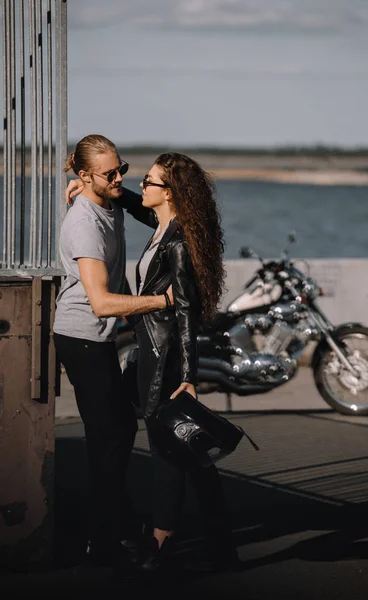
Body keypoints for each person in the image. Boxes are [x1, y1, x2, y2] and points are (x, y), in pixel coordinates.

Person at [54, 134, 173, 567]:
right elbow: (102, 302)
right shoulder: (84, 223)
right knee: (109, 438)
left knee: (117, 432)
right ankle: (103, 542)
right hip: (81, 335)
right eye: (110, 173)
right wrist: (163, 301)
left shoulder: (108, 199)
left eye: (122, 168)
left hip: (98, 334)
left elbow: (145, 211)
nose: (120, 177)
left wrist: (105, 189)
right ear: (85, 175)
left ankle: (114, 527)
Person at [118, 152, 238, 572]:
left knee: (167, 450)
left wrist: (188, 376)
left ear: (169, 193)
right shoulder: (164, 226)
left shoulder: (180, 242)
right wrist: (106, 192)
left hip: (165, 357)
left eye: (148, 181)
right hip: (155, 350)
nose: (142, 186)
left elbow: (186, 313)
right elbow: (136, 205)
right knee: (191, 451)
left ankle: (159, 543)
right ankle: (223, 543)